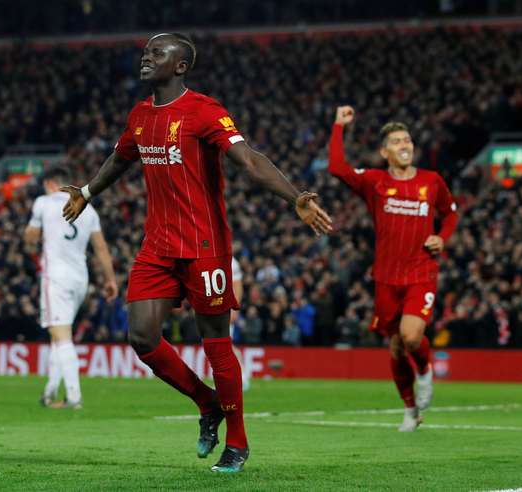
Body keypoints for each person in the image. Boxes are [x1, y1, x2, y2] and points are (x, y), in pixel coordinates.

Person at [62, 33, 332, 472]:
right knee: (142, 337)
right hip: (157, 245)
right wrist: (88, 192)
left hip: (204, 246)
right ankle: (207, 402)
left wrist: (294, 196)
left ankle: (238, 442)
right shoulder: (140, 115)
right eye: (147, 52)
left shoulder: (204, 110)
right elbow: (120, 157)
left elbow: (249, 159)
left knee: (215, 344)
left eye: (157, 53)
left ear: (181, 66)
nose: (147, 58)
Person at [329, 106, 458, 432]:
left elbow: (451, 214)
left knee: (411, 336)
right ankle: (411, 409)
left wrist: (442, 238)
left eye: (408, 140)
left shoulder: (432, 181)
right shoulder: (375, 181)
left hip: (421, 273)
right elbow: (337, 167)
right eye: (397, 141)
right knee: (397, 346)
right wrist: (338, 127)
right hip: (386, 278)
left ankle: (426, 372)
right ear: (384, 151)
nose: (405, 145)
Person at [24, 167, 118, 409]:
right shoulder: (89, 209)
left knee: (61, 336)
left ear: (50, 183)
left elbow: (31, 238)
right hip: (80, 279)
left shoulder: (43, 203)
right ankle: (49, 392)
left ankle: (74, 397)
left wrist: (30, 241)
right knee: (59, 333)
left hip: (55, 277)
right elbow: (101, 248)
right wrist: (110, 280)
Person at [230, 256, 251, 391]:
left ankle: (242, 377)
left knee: (225, 345)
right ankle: (240, 377)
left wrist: (234, 308)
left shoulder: (231, 261)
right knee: (223, 345)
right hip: (212, 307)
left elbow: (237, 285)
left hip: (225, 308)